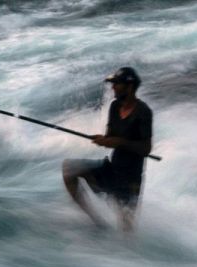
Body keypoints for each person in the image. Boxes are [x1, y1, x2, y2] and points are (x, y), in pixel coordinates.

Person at [62, 66, 154, 232]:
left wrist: (119, 142)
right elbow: (111, 135)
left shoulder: (143, 112)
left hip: (130, 180)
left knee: (126, 231)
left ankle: (127, 255)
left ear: (130, 86)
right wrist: (104, 140)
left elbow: (146, 149)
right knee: (68, 169)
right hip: (112, 169)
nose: (113, 87)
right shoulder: (114, 106)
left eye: (117, 84)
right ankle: (97, 223)